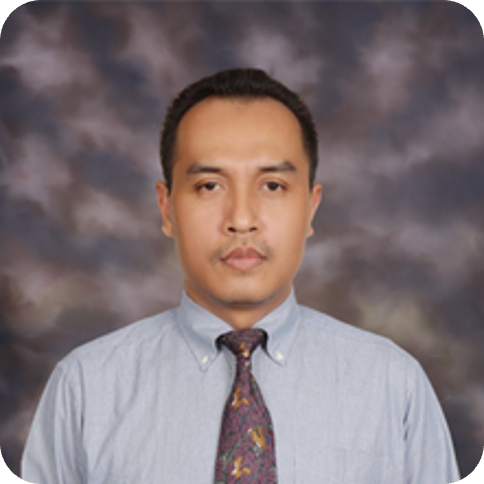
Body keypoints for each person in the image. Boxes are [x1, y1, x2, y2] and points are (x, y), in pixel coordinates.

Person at [21, 68, 460, 483]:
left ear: (310, 207)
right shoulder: (86, 388)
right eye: (209, 186)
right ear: (166, 208)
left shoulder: (392, 385)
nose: (242, 219)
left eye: (272, 186)